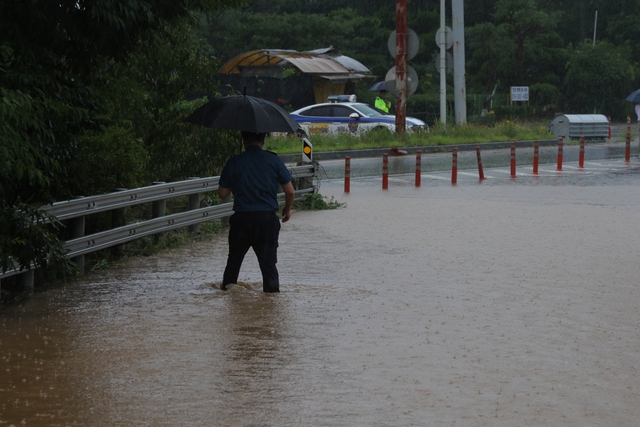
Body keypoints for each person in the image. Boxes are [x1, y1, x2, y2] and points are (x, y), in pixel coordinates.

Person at [218, 131, 295, 293]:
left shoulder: (234, 162)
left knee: (233, 262)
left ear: (243, 140)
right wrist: (286, 210)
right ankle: (271, 300)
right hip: (266, 220)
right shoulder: (274, 160)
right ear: (263, 140)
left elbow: (222, 194)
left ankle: (228, 297)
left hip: (241, 220)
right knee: (268, 266)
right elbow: (290, 191)